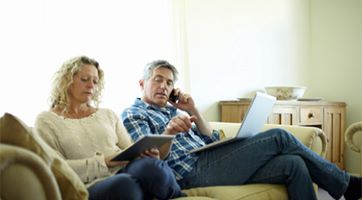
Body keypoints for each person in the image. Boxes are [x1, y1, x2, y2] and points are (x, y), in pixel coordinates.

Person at [121, 59, 362, 200]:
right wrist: (169, 133)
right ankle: (346, 185)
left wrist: (193, 108)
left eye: (169, 82)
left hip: (209, 159)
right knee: (279, 136)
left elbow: (210, 138)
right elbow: (150, 156)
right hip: (189, 172)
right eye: (158, 79)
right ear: (142, 83)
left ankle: (344, 185)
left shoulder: (176, 111)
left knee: (292, 164)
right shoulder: (134, 114)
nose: (164, 86)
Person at [34, 56, 185, 200]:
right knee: (125, 185)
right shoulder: (46, 121)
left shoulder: (107, 114)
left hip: (124, 170)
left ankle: (179, 197)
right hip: (88, 185)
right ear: (66, 82)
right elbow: (55, 169)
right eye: (84, 79)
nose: (91, 85)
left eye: (95, 81)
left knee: (151, 166)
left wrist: (144, 154)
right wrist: (104, 162)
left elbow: (130, 150)